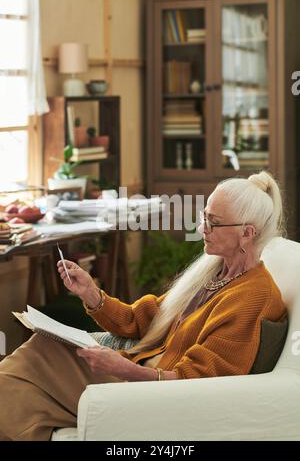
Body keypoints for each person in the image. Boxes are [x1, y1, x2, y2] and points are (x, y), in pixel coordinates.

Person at [0, 171, 287, 441]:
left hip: (153, 396)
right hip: (139, 374)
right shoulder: (213, 273)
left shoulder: (254, 297)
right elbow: (139, 320)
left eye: (213, 222)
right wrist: (90, 293)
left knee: (36, 356)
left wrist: (124, 369)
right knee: (26, 380)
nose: (202, 228)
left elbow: (199, 384)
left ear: (247, 233)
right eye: (203, 217)